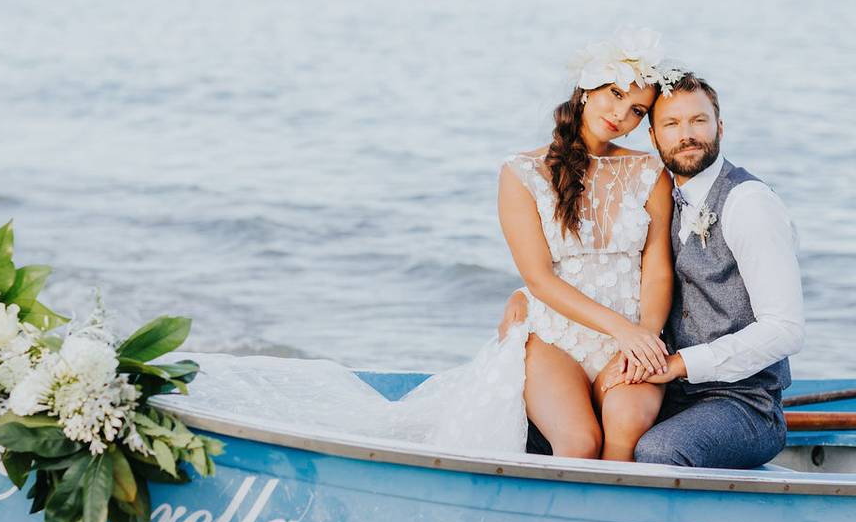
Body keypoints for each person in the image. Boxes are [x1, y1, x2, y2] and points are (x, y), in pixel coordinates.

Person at [183, 27, 682, 457]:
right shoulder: (522, 173)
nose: (621, 113)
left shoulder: (648, 172)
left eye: (637, 109)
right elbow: (538, 277)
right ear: (587, 88)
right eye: (614, 93)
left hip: (633, 332)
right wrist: (619, 329)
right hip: (554, 334)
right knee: (579, 443)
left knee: (627, 432)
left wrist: (645, 336)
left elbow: (657, 267)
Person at [503, 73, 805, 468]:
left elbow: (786, 330)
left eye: (698, 121)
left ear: (720, 126)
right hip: (672, 383)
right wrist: (526, 294)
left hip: (737, 399)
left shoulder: (748, 204)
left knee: (657, 450)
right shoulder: (667, 189)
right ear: (653, 136)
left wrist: (676, 363)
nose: (687, 135)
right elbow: (602, 264)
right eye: (670, 124)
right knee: (547, 434)